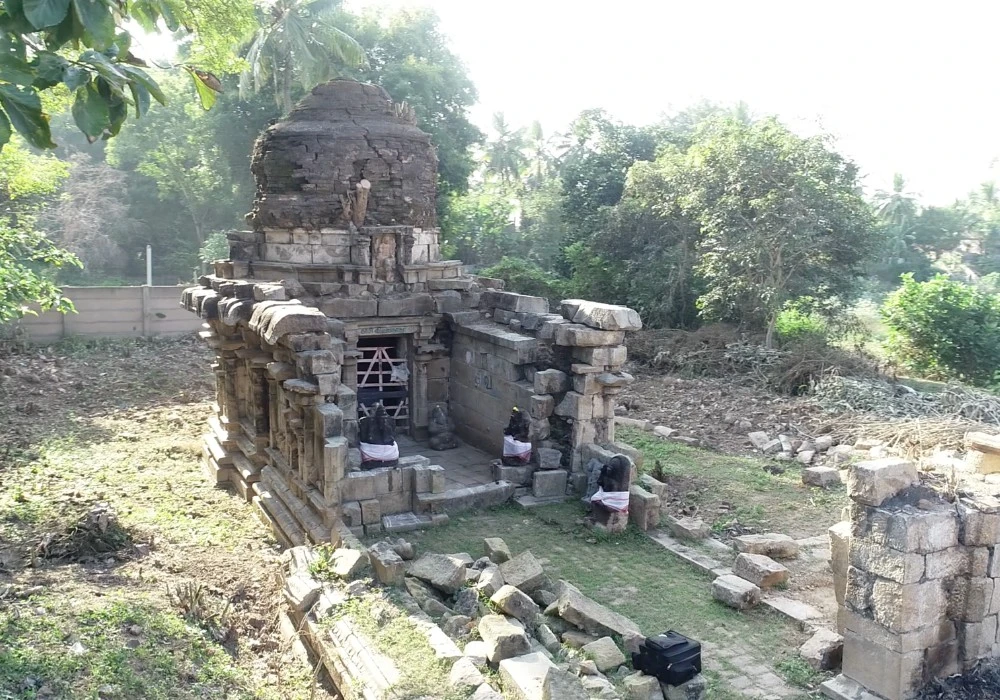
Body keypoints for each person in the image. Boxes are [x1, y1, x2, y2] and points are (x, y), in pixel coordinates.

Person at [359, 404, 399, 468]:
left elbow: (362, 439)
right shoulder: (391, 420)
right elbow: (393, 436)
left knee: (363, 446)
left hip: (371, 458)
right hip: (391, 457)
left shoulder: (365, 421)